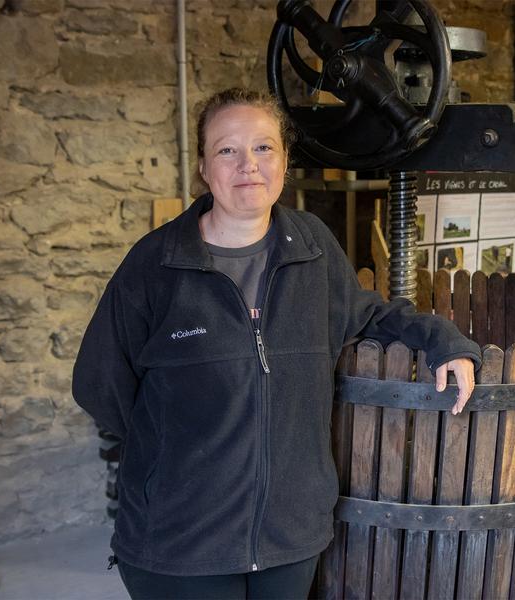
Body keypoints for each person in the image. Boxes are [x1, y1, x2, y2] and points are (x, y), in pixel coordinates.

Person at [72, 88, 480, 600]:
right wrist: (170, 454)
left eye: (264, 148)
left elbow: (370, 311)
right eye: (227, 150)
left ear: (285, 161)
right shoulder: (155, 266)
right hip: (180, 541)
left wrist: (445, 341)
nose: (248, 165)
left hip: (290, 535)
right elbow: (99, 383)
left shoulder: (311, 247)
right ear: (204, 166)